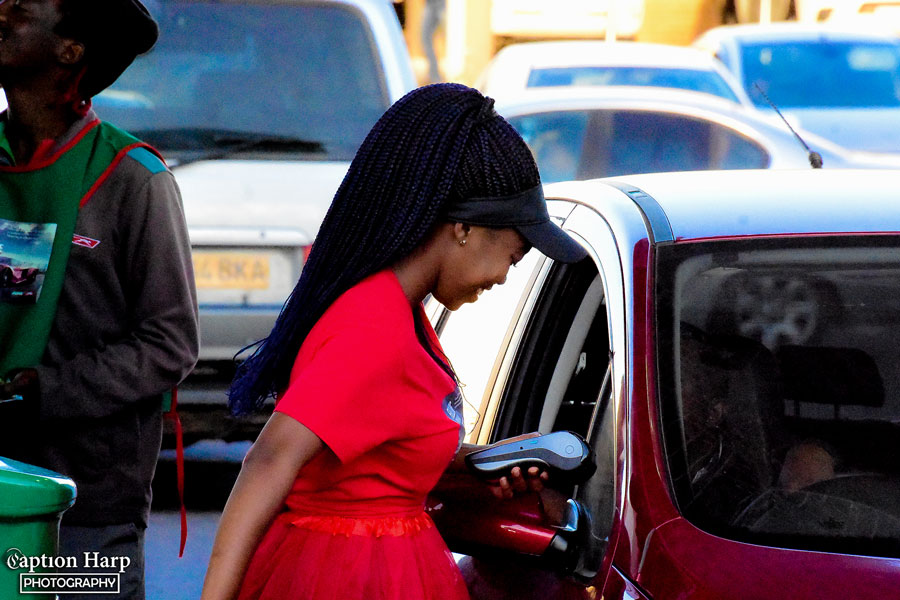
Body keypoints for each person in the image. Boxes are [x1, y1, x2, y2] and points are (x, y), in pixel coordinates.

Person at [200, 83, 587, 600]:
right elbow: (269, 461)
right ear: (465, 227)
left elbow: (377, 453)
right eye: (513, 258)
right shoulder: (373, 326)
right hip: (346, 577)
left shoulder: (401, 312)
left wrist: (481, 463)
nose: (502, 278)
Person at [0, 0, 199, 598]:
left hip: (85, 505)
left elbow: (169, 344)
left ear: (70, 50)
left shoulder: (132, 178)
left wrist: (45, 390)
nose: (2, 11)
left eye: (22, 6)